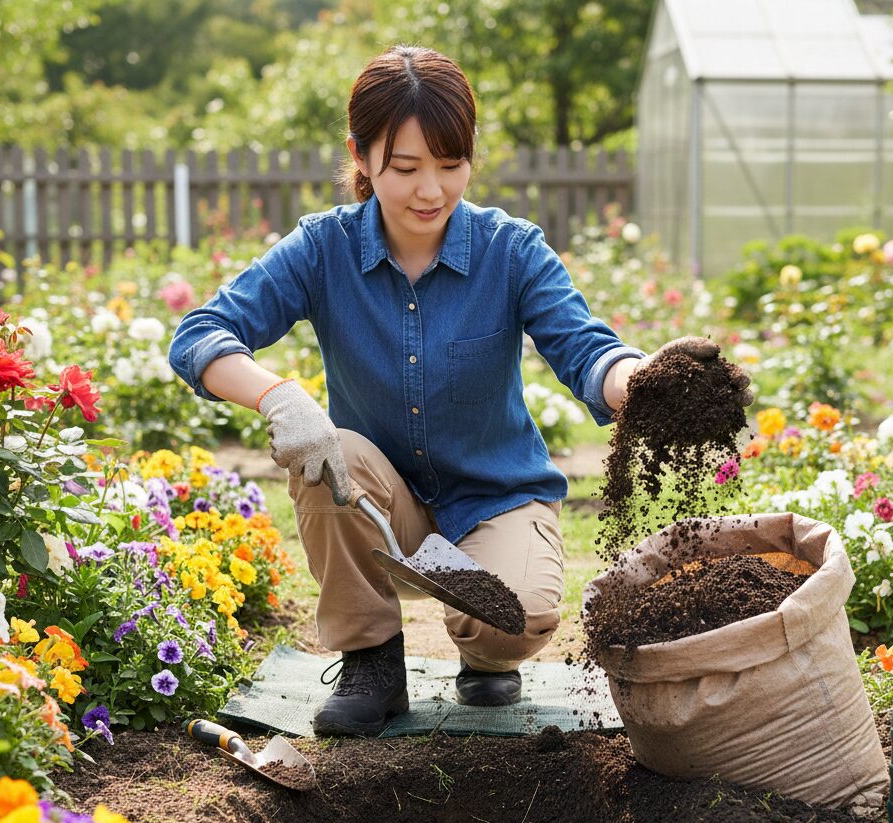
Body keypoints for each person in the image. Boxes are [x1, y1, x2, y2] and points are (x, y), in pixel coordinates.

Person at [169, 45, 752, 737]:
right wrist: (277, 396)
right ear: (361, 155)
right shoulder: (323, 249)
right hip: (379, 504)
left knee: (519, 619)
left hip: (493, 497)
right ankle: (372, 662)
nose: (430, 191)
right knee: (330, 452)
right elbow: (200, 333)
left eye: (450, 166)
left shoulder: (511, 249)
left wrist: (649, 383)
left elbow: (586, 350)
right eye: (407, 168)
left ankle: (482, 647)